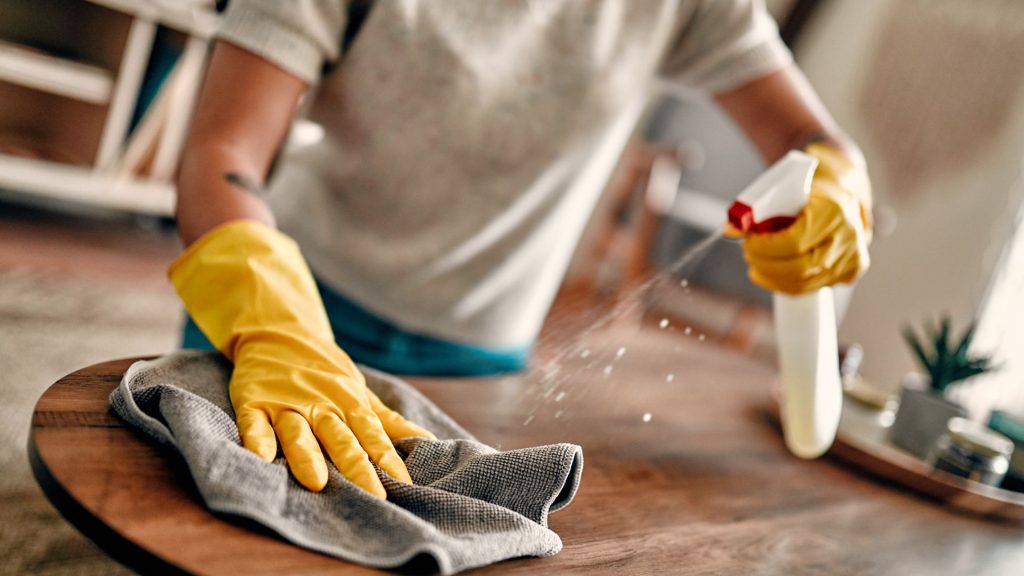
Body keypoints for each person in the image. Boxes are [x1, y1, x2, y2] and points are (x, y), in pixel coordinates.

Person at [171, 0, 872, 496]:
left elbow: (815, 142)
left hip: (480, 362)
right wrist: (276, 329)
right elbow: (222, 149)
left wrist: (838, 184)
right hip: (278, 317)